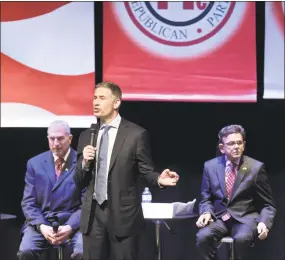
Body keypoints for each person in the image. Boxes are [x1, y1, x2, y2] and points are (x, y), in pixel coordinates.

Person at [74, 81, 179, 260]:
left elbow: (146, 170)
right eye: (94, 98)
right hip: (93, 217)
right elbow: (78, 180)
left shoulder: (135, 135)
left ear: (116, 103)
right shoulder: (87, 136)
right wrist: (84, 162)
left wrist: (159, 180)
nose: (95, 102)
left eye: (102, 98)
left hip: (123, 216)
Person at [196, 124, 276, 260]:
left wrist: (264, 223)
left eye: (239, 143)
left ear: (244, 145)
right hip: (220, 218)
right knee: (203, 237)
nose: (236, 147)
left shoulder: (255, 168)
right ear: (222, 148)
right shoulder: (210, 166)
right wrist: (206, 212)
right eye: (231, 144)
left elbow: (268, 205)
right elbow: (206, 198)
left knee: (242, 239)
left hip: (244, 218)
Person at [17, 120, 83, 260]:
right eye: (52, 139)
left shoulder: (82, 163)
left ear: (70, 139)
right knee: (26, 251)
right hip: (42, 222)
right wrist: (42, 226)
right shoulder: (35, 163)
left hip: (73, 223)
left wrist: (70, 226)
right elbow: (28, 202)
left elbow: (86, 204)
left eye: (60, 138)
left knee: (83, 252)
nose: (56, 143)